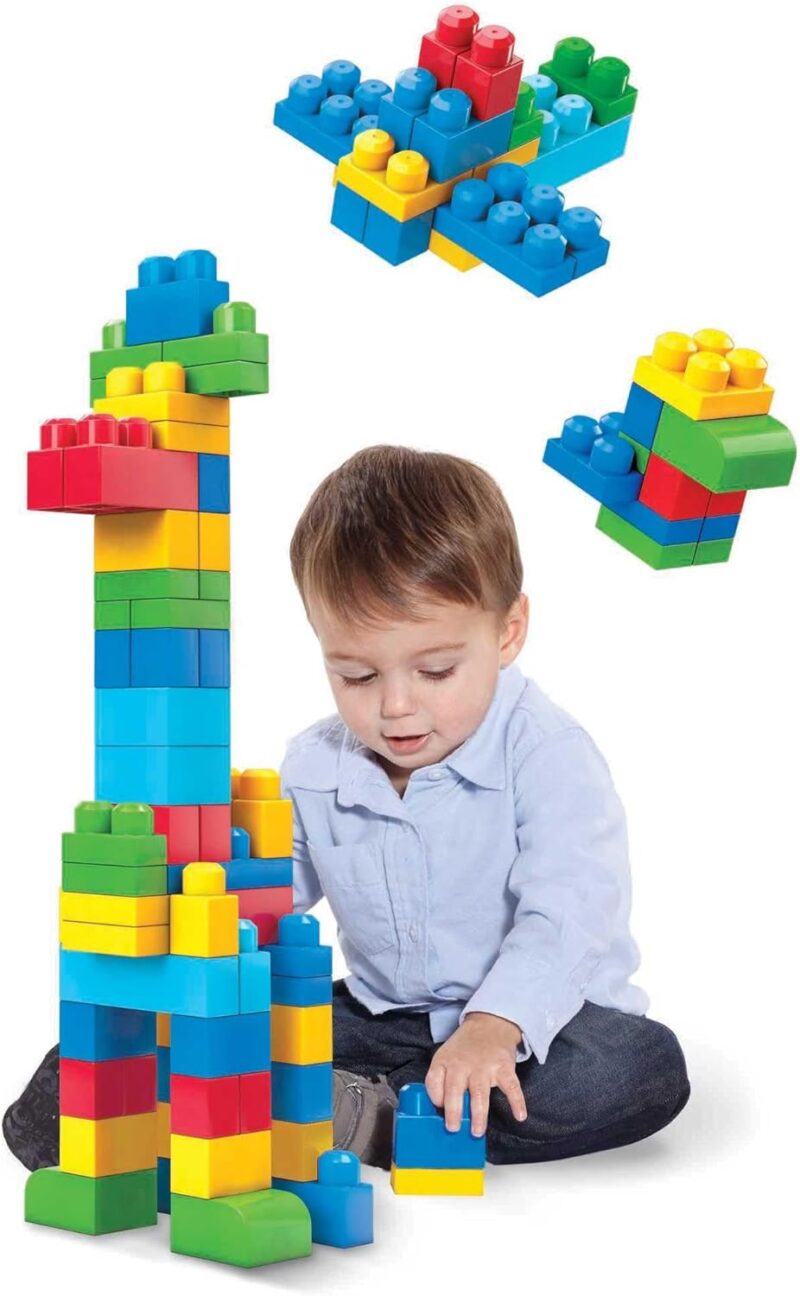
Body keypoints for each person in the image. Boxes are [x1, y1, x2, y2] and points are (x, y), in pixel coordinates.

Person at [3, 444, 689, 1173]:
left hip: (537, 1022)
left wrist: (493, 1025)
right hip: (379, 1018)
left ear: (508, 631)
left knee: (638, 1068)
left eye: (436, 670)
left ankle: (359, 1116)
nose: (396, 706)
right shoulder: (315, 765)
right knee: (119, 1054)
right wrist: (180, 943)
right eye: (357, 676)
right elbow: (268, 899)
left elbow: (569, 912)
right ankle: (339, 1103)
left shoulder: (547, 753)